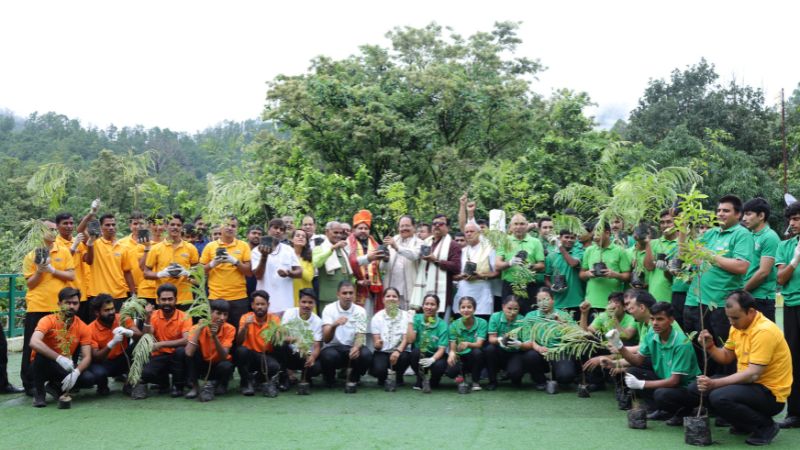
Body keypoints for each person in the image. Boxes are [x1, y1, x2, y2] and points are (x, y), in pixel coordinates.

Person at [689, 291, 792, 445]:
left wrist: (714, 383)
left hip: (770, 394)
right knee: (695, 389)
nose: (731, 322)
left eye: (735, 318)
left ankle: (766, 426)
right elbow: (726, 356)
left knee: (719, 396)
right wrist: (710, 347)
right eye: (729, 317)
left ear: (751, 311)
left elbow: (753, 374)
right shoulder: (737, 327)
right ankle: (743, 424)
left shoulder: (764, 331)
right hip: (750, 387)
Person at [682, 195, 753, 375]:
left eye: (726, 211)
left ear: (738, 214)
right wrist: (681, 227)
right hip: (698, 301)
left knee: (724, 354)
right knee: (702, 352)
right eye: (719, 210)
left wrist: (710, 256)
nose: (720, 214)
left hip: (721, 305)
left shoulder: (742, 234)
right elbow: (686, 255)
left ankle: (723, 388)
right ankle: (705, 388)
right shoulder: (711, 233)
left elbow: (741, 266)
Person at [613, 302, 700, 422]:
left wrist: (641, 384)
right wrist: (618, 345)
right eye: (652, 319)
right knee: (632, 372)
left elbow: (674, 381)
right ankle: (659, 409)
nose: (654, 323)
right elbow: (637, 361)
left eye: (660, 319)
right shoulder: (652, 334)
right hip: (666, 380)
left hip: (687, 388)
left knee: (662, 394)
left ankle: (684, 412)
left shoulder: (681, 343)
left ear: (671, 320)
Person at [21, 220, 75, 395]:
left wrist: (52, 270)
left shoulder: (63, 251)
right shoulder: (31, 255)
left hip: (58, 307)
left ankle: (56, 381)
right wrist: (40, 270)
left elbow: (71, 276)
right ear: (41, 233)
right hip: (37, 306)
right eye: (48, 230)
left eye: (54, 230)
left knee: (59, 344)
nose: (52, 233)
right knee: (31, 346)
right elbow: (30, 284)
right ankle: (29, 383)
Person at [29, 287, 96, 407]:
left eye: (75, 303)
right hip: (42, 364)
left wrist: (76, 372)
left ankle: (54, 387)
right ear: (59, 304)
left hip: (65, 365)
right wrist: (59, 358)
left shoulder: (83, 327)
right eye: (67, 303)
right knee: (40, 355)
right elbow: (34, 342)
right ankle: (39, 393)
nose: (71, 306)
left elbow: (87, 357)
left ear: (79, 305)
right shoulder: (48, 320)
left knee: (89, 379)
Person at [131, 283, 191, 399]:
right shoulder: (153, 315)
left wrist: (161, 344)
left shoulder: (185, 316)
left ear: (176, 300)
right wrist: (147, 318)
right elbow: (146, 337)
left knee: (181, 352)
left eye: (170, 299)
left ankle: (178, 386)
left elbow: (186, 340)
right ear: (158, 300)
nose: (167, 302)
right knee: (146, 374)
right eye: (163, 299)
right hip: (159, 356)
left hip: (177, 357)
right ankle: (163, 383)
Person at [200, 215, 252, 328]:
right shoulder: (210, 246)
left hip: (238, 297)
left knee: (239, 330)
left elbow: (249, 272)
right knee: (214, 331)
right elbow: (200, 272)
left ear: (237, 228)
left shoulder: (244, 245)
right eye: (227, 225)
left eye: (233, 226)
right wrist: (213, 263)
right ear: (221, 227)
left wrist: (235, 261)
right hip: (216, 296)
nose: (230, 228)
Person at [524, 287, 579, 388]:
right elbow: (527, 339)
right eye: (539, 300)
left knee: (566, 376)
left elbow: (576, 334)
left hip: (559, 350)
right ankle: (540, 380)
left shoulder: (563, 315)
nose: (543, 303)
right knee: (530, 355)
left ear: (553, 300)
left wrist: (562, 323)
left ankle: (556, 376)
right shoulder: (530, 316)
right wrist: (538, 348)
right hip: (539, 351)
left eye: (546, 299)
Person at [320, 281, 372, 388]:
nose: (348, 296)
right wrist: (334, 325)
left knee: (366, 354)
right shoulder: (328, 309)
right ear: (338, 294)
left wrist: (356, 347)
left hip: (351, 348)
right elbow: (326, 339)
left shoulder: (361, 311)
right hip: (333, 348)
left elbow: (360, 334)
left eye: (351, 293)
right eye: (344, 293)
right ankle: (329, 378)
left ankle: (354, 377)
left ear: (354, 294)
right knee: (327, 356)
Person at [410, 214, 462, 319]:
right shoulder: (426, 243)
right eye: (434, 224)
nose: (437, 226)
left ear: (448, 227)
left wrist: (436, 260)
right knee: (422, 321)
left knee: (439, 322)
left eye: (441, 224)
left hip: (442, 292)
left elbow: (456, 267)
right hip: (424, 288)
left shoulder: (452, 245)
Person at [86, 294, 140, 395]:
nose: (111, 312)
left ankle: (129, 383)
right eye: (106, 310)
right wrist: (112, 343)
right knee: (99, 374)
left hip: (122, 359)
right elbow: (96, 357)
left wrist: (129, 332)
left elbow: (140, 336)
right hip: (103, 363)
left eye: (112, 309)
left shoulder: (122, 318)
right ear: (97, 312)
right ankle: (102, 386)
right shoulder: (89, 329)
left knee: (140, 346)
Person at [776, 201, 800, 428]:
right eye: (791, 219)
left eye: (797, 219)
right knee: (794, 359)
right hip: (792, 306)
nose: (792, 223)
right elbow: (781, 279)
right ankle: (795, 413)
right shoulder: (785, 246)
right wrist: (795, 259)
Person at [143, 214, 198, 309]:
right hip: (164, 299)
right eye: (172, 224)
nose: (175, 227)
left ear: (182, 227)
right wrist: (161, 274)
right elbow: (146, 273)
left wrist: (187, 273)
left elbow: (198, 275)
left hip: (185, 299)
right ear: (166, 226)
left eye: (178, 225)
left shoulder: (190, 248)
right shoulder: (156, 248)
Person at [84, 213, 136, 312]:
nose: (111, 227)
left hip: (119, 295)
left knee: (120, 322)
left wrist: (133, 294)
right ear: (101, 227)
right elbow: (80, 230)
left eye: (113, 225)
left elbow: (127, 272)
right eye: (107, 225)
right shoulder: (95, 243)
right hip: (98, 295)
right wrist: (91, 213)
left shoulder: (123, 247)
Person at [184, 300, 235, 400]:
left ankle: (219, 384)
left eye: (225, 314)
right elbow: (188, 353)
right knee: (188, 352)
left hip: (217, 364)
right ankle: (195, 387)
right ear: (210, 313)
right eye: (218, 313)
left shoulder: (230, 329)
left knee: (226, 365)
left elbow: (224, 356)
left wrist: (214, 337)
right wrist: (199, 329)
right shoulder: (196, 327)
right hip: (202, 364)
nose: (222, 318)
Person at [495, 214, 545, 314]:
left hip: (529, 285)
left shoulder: (535, 242)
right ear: (510, 227)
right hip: (510, 285)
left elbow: (542, 265)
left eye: (522, 224)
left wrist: (530, 266)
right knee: (510, 316)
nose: (519, 227)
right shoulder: (504, 241)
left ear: (527, 225)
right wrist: (510, 263)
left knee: (529, 315)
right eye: (516, 224)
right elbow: (497, 265)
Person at [235, 290, 282, 395]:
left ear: (268, 305)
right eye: (257, 304)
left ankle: (255, 380)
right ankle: (246, 383)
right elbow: (238, 342)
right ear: (252, 305)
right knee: (240, 351)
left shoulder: (274, 319)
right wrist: (245, 327)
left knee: (274, 367)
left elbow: (278, 341)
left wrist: (276, 334)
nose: (260, 307)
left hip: (265, 355)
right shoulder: (245, 318)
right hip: (250, 356)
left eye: (263, 304)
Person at [252, 219, 302, 316]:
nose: (278, 231)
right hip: (265, 305)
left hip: (286, 304)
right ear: (268, 229)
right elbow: (258, 276)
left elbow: (299, 272)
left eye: (281, 229)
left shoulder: (288, 249)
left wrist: (289, 273)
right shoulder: (256, 251)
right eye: (275, 228)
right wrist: (264, 256)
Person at [742, 198, 780, 322]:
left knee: (762, 333)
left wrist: (742, 291)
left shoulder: (770, 237)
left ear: (761, 216)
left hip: (762, 299)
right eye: (743, 214)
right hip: (747, 296)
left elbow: (763, 272)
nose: (744, 218)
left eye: (748, 214)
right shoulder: (749, 236)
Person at [579, 225, 631, 313]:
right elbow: (581, 274)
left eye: (598, 234)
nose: (595, 237)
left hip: (613, 304)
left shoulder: (620, 251)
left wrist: (615, 275)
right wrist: (587, 274)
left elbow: (627, 276)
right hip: (591, 303)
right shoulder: (589, 250)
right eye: (593, 234)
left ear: (607, 233)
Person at [278, 289, 323, 386]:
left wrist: (312, 357)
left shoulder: (318, 321)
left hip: (306, 355)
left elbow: (317, 346)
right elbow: (281, 336)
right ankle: (284, 377)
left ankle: (305, 376)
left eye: (310, 302)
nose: (306, 305)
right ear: (299, 302)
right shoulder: (290, 313)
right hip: (291, 354)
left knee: (316, 368)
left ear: (314, 304)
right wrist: (296, 340)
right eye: (304, 302)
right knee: (280, 344)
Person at [453, 222, 497, 320]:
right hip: (464, 292)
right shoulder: (462, 251)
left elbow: (497, 273)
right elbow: (454, 275)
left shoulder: (489, 249)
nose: (469, 234)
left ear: (479, 233)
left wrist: (480, 276)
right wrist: (461, 276)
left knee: (481, 323)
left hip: (482, 295)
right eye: (467, 232)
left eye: (472, 231)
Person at [347, 209, 386, 318]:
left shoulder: (375, 244)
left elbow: (381, 268)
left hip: (373, 288)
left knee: (370, 316)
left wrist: (386, 260)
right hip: (355, 287)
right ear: (354, 229)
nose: (363, 231)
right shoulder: (348, 243)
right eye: (360, 228)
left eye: (366, 228)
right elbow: (349, 263)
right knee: (356, 317)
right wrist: (368, 258)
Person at [369, 288, 413, 387]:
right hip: (383, 352)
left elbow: (406, 339)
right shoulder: (377, 317)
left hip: (401, 351)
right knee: (378, 369)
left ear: (398, 300)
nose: (391, 298)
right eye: (388, 296)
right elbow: (377, 344)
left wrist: (398, 351)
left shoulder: (406, 316)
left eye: (394, 296)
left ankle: (399, 376)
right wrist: (378, 344)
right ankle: (382, 378)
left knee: (405, 357)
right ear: (383, 300)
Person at [643, 209, 680, 322]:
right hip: (655, 294)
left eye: (669, 222)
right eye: (662, 222)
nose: (665, 225)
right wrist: (648, 243)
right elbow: (649, 267)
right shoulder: (654, 243)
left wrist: (667, 268)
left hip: (674, 296)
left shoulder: (682, 243)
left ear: (676, 223)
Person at [407, 294, 448, 391]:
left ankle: (434, 380)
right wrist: (410, 321)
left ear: (437, 307)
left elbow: (442, 349)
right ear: (422, 306)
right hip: (421, 353)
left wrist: (432, 359)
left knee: (439, 366)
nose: (429, 307)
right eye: (426, 304)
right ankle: (420, 378)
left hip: (436, 355)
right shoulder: (417, 318)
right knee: (415, 353)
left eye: (432, 304)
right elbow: (410, 340)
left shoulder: (442, 324)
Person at [484, 295, 527, 389]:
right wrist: (500, 339)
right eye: (509, 308)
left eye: (515, 309)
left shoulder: (523, 320)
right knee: (489, 349)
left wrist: (519, 344)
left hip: (515, 352)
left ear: (519, 309)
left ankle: (515, 376)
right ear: (503, 306)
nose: (512, 312)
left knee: (515, 375)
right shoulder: (495, 317)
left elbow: (528, 344)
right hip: (499, 350)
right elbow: (491, 339)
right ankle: (492, 381)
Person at [381, 215, 422, 310]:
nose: (404, 228)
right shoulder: (393, 240)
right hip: (391, 287)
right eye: (401, 226)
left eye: (407, 226)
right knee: (391, 315)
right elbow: (382, 268)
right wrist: (385, 260)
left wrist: (396, 247)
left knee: (408, 316)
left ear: (414, 227)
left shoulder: (419, 242)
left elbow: (414, 255)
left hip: (409, 287)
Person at [446, 296, 487, 391]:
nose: (466, 310)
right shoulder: (454, 325)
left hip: (473, 355)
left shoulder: (482, 323)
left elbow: (479, 344)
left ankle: (475, 381)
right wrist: (452, 353)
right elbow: (452, 347)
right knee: (451, 372)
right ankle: (461, 377)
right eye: (463, 307)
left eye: (469, 307)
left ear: (474, 309)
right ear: (459, 310)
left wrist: (468, 344)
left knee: (478, 352)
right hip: (460, 355)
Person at [313, 221, 354, 312]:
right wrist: (332, 248)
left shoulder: (343, 250)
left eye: (340, 233)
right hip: (328, 298)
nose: (338, 235)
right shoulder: (319, 248)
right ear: (327, 232)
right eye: (335, 232)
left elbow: (348, 273)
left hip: (344, 298)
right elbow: (316, 263)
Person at [544, 229, 585, 317]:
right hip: (558, 303)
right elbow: (547, 278)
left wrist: (560, 247)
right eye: (566, 237)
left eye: (572, 238)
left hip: (576, 302)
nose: (569, 240)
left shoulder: (579, 252)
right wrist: (552, 287)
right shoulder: (551, 256)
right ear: (560, 238)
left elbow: (573, 263)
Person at [291, 229, 315, 309]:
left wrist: (297, 265)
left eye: (303, 236)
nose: (300, 237)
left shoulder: (309, 256)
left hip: (305, 294)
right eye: (297, 235)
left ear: (306, 241)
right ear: (292, 239)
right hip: (289, 292)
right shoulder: (286, 255)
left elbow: (309, 277)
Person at [244, 225, 264, 297]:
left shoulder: (265, 251)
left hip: (260, 286)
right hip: (243, 288)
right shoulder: (241, 249)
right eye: (254, 233)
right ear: (247, 235)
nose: (256, 236)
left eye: (259, 234)